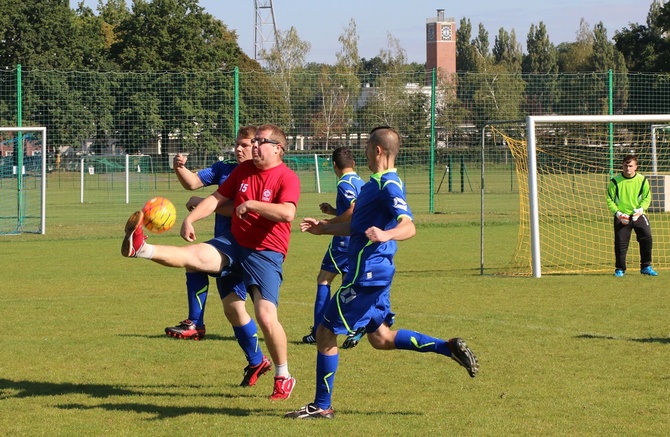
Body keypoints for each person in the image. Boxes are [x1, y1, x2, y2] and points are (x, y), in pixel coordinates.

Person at [285, 126, 479, 420]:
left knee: (325, 332)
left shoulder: (388, 184)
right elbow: (355, 227)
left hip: (367, 276)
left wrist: (387, 235)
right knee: (381, 339)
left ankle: (321, 405)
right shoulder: (372, 184)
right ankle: (447, 347)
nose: (362, 151)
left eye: (365, 146)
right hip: (375, 275)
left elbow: (409, 225)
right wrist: (325, 228)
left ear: (377, 150)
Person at [122, 123, 300, 400]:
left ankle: (283, 374)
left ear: (278, 148)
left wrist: (252, 204)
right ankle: (141, 248)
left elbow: (287, 213)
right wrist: (190, 218)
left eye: (260, 142)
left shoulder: (287, 177)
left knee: (265, 317)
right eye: (252, 143)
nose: (253, 146)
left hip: (266, 252)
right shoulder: (241, 170)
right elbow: (216, 199)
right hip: (234, 243)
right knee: (197, 262)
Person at [164, 126, 255, 340]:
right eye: (237, 144)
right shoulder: (225, 167)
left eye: (244, 145)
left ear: (257, 146)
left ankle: (264, 354)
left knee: (250, 308)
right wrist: (179, 168)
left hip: (247, 247)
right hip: (223, 244)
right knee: (231, 304)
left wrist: (203, 204)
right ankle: (195, 323)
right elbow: (193, 182)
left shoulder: (258, 173)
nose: (238, 149)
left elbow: (242, 209)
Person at [301, 146, 365, 346]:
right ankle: (353, 326)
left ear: (335, 166)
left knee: (324, 280)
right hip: (357, 239)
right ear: (353, 163)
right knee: (348, 283)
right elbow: (355, 208)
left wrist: (328, 224)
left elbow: (353, 210)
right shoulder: (360, 182)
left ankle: (318, 330)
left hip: (343, 240)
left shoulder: (344, 183)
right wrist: (334, 211)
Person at [606, 153, 657, 277]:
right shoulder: (615, 182)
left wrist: (640, 210)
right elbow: (609, 199)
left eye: (630, 166)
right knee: (620, 243)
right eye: (625, 166)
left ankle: (646, 266)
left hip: (638, 215)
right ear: (622, 166)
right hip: (622, 216)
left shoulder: (642, 180)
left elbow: (647, 197)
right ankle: (620, 269)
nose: (627, 169)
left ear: (636, 167)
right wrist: (618, 214)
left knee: (647, 237)